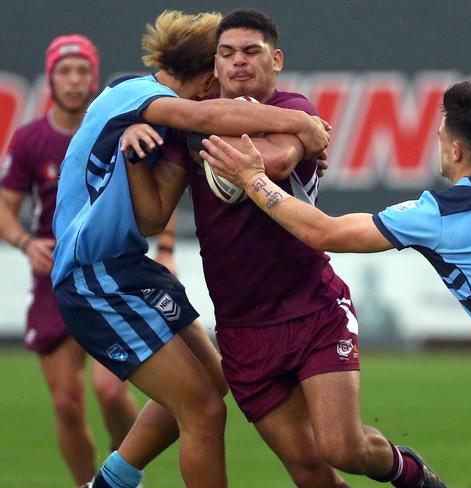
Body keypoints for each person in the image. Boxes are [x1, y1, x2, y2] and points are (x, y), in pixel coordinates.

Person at [201, 80, 471, 488]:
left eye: (438, 140)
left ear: (455, 150)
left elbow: (325, 234)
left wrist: (253, 180)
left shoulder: (437, 212)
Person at [125, 8, 445, 488]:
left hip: (312, 308)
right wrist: (133, 145)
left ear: (275, 60)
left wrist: (214, 139)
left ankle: (410, 473)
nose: (238, 63)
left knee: (342, 447)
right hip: (242, 328)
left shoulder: (294, 108)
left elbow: (271, 162)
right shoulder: (189, 124)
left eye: (251, 52)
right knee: (310, 471)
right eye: (226, 54)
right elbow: (151, 216)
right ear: (213, 65)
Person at [49, 11, 329, 488]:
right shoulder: (139, 96)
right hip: (92, 275)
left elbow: (154, 218)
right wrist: (305, 123)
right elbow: (205, 115)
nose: (220, 91)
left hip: (129, 267)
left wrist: (135, 160)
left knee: (213, 378)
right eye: (216, 77)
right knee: (202, 411)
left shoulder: (149, 114)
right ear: (204, 77)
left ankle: (111, 480)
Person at [0, 35, 141, 486]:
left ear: (95, 77)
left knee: (111, 391)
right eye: (65, 71)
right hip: (53, 281)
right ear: (51, 78)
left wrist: (162, 250)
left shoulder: (115, 127)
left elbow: (156, 188)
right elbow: (5, 206)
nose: (75, 80)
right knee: (66, 402)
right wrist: (25, 242)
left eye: (83, 71)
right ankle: (88, 484)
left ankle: (124, 476)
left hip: (107, 272)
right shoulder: (29, 139)